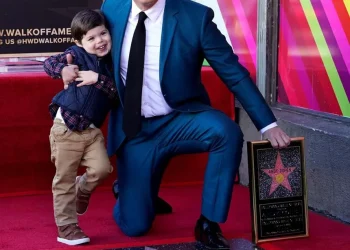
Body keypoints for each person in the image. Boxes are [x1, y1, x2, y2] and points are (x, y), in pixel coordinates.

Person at [62, 0, 291, 249]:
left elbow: (232, 73)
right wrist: (66, 67)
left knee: (226, 132)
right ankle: (130, 189)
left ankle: (209, 223)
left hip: (180, 120)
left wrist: (268, 124)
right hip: (136, 131)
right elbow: (86, 46)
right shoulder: (112, 10)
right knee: (135, 226)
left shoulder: (196, 16)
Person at [43, 9, 118, 246]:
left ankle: (82, 190)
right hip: (66, 129)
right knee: (63, 179)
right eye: (91, 38)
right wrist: (62, 70)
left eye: (102, 33)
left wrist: (98, 78)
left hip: (92, 131)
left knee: (103, 169)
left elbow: (118, 93)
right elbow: (50, 63)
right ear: (79, 42)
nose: (99, 41)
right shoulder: (74, 55)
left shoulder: (113, 63)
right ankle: (67, 227)